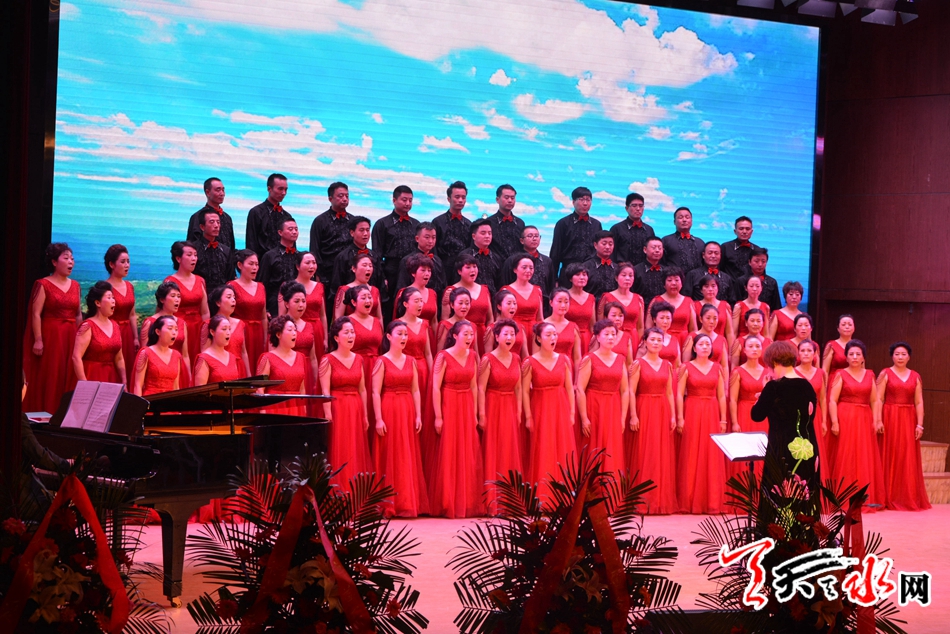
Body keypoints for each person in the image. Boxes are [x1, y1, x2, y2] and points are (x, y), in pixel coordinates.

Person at [372, 320, 429, 518]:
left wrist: (418, 414)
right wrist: (378, 419)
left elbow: (416, 390)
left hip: (407, 408)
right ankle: (389, 503)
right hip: (389, 407)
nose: (404, 337)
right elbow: (375, 392)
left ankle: (406, 501)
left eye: (406, 334)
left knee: (406, 454)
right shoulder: (382, 361)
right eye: (400, 334)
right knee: (390, 453)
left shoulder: (411, 360)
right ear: (389, 337)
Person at [430, 320, 485, 518]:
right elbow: (436, 387)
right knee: (450, 451)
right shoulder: (443, 356)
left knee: (467, 451)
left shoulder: (473, 356)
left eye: (472, 334)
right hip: (449, 403)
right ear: (455, 335)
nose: (470, 338)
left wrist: (475, 413)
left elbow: (474, 386)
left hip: (466, 405)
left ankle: (467, 501)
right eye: (465, 334)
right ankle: (448, 501)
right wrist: (438, 416)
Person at [751, 341, 819, 489]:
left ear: (775, 362)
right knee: (804, 494)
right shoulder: (807, 386)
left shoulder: (773, 387)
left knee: (780, 494)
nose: (769, 371)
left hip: (781, 450)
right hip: (807, 448)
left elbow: (756, 415)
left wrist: (763, 396)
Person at [523, 322, 577, 505]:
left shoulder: (564, 359)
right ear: (539, 338)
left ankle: (564, 497)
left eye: (555, 334)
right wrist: (528, 416)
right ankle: (543, 496)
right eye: (548, 335)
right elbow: (524, 391)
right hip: (540, 409)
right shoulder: (530, 362)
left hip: (560, 408)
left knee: (562, 449)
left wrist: (572, 412)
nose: (553, 338)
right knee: (543, 449)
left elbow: (569, 388)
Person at [24, 244, 81, 413]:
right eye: (66, 258)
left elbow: (78, 314)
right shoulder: (43, 284)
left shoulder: (76, 285)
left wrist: (80, 338)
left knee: (68, 374)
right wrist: (38, 340)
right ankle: (48, 412)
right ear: (54, 262)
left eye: (72, 258)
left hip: (71, 335)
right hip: (52, 335)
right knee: (52, 373)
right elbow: (35, 314)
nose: (71, 262)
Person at [626, 327, 678, 514]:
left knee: (660, 453)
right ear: (645, 342)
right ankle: (643, 501)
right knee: (644, 452)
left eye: (659, 340)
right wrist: (633, 414)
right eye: (653, 339)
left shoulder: (667, 365)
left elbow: (670, 392)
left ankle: (660, 500)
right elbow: (631, 391)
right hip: (644, 408)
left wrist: (673, 414)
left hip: (662, 409)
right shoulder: (638, 364)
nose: (656, 343)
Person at [828, 340, 885, 509]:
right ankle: (843, 497)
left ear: (863, 357)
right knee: (846, 456)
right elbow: (832, 400)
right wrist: (835, 421)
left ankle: (863, 498)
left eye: (858, 354)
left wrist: (876, 420)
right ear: (846, 357)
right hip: (845, 417)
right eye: (851, 354)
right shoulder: (841, 374)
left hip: (864, 418)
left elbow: (875, 400)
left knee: (863, 457)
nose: (854, 357)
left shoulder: (870, 374)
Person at [676, 333, 728, 514]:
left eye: (708, 344)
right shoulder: (686, 367)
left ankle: (711, 500)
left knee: (711, 454)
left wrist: (723, 419)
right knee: (691, 452)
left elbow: (721, 395)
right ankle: (690, 499)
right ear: (694, 348)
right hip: (692, 409)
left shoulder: (717, 368)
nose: (705, 347)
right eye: (701, 344)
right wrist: (680, 417)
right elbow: (679, 394)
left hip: (712, 412)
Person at [319, 316, 372, 492]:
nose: (351, 336)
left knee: (355, 448)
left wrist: (365, 414)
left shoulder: (358, 359)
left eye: (353, 332)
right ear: (336, 337)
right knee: (339, 448)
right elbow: (325, 390)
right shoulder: (327, 359)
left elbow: (363, 389)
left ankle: (354, 491)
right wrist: (328, 414)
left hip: (355, 407)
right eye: (346, 332)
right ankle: (338, 492)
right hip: (337, 407)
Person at [877, 342, 930, 511]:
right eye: (897, 354)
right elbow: (878, 399)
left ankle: (905, 497)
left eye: (903, 354)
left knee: (906, 456)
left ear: (909, 357)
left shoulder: (915, 376)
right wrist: (878, 420)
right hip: (889, 416)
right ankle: (886, 496)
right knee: (889, 454)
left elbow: (919, 401)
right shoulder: (885, 373)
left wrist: (920, 425)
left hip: (908, 418)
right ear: (892, 356)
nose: (900, 357)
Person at [478, 319, 524, 514]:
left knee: (508, 449)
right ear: (497, 337)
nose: (509, 337)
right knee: (493, 449)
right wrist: (482, 414)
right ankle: (492, 501)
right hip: (493, 405)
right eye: (505, 334)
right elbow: (481, 388)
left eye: (512, 334)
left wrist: (519, 411)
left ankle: (509, 501)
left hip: (510, 406)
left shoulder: (517, 358)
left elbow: (519, 387)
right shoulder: (487, 359)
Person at [576, 319, 628, 479]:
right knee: (594, 447)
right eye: (606, 334)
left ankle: (610, 488)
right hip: (594, 407)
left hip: (613, 407)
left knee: (611, 447)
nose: (611, 337)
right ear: (598, 337)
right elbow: (580, 389)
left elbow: (625, 390)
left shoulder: (620, 359)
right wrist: (584, 418)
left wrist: (623, 418)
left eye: (613, 334)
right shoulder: (589, 359)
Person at [396, 287, 436, 479]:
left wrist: (432, 375)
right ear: (405, 303)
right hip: (404, 371)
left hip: (423, 371)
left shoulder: (425, 324)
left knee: (424, 415)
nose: (421, 304)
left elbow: (428, 353)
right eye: (416, 301)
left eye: (422, 301)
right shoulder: (397, 325)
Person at [372, 185, 421, 318]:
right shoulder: (382, 224)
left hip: (412, 271)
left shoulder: (416, 224)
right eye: (404, 200)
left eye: (410, 200)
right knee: (390, 308)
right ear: (394, 200)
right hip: (391, 271)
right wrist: (383, 278)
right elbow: (377, 254)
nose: (407, 203)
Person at [728, 335, 769, 481]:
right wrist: (734, 422)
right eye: (750, 346)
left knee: (762, 452)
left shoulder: (768, 372)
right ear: (744, 350)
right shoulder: (737, 371)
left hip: (763, 415)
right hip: (744, 412)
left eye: (757, 346)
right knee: (744, 453)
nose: (754, 349)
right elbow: (733, 399)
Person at [165, 241, 208, 372]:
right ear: (178, 259)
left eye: (195, 255)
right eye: (189, 255)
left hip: (198, 329)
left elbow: (205, 311)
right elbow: (165, 312)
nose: (194, 258)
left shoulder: (200, 280)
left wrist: (206, 333)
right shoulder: (170, 282)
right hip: (178, 330)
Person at [71, 281, 125, 386]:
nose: (113, 301)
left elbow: (119, 358)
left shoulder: (115, 326)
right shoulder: (88, 326)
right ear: (98, 303)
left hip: (110, 377)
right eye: (109, 298)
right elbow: (76, 357)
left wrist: (124, 380)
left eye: (113, 298)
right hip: (91, 376)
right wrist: (84, 384)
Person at [346, 285, 383, 433]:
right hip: (356, 368)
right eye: (364, 298)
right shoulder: (347, 322)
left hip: (376, 368)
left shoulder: (377, 321)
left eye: (370, 297)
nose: (368, 300)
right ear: (354, 302)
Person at [139, 281, 191, 385]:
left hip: (179, 372)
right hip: (157, 375)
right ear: (162, 299)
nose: (177, 299)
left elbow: (185, 355)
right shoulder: (150, 322)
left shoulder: (182, 323)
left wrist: (189, 377)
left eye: (179, 296)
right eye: (173, 296)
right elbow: (143, 355)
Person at [256, 315, 308, 417]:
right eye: (290, 330)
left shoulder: (301, 357)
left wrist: (304, 410)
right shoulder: (268, 358)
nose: (294, 333)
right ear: (278, 334)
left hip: (296, 407)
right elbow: (259, 389)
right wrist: (262, 412)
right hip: (275, 408)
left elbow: (302, 389)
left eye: (295, 330)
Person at [442, 255, 492, 356]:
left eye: (474, 266)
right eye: (468, 267)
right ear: (459, 271)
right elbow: (445, 319)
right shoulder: (451, 290)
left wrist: (489, 334)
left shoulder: (484, 289)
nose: (472, 270)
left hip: (483, 336)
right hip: (461, 336)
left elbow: (490, 318)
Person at [796, 339, 831, 482]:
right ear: (798, 353)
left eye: (809, 350)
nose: (806, 353)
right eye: (803, 350)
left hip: (815, 417)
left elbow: (822, 399)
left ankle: (814, 485)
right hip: (797, 417)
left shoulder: (820, 373)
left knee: (815, 451)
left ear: (815, 354)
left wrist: (824, 421)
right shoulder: (792, 372)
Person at [281, 281, 320, 409]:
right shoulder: (280, 325)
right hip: (289, 372)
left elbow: (313, 358)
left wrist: (316, 381)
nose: (301, 305)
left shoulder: (309, 326)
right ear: (287, 304)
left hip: (307, 372)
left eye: (303, 301)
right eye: (297, 301)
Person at [308, 182, 353, 294]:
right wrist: (318, 274)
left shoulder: (353, 221)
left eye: (347, 196)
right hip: (328, 273)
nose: (344, 199)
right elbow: (314, 249)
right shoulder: (320, 221)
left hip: (350, 272)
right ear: (330, 198)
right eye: (340, 196)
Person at [550, 187, 602, 283]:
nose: (585, 203)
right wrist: (553, 279)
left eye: (588, 200)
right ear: (573, 202)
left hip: (590, 273)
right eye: (581, 199)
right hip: (568, 273)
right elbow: (555, 252)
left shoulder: (596, 224)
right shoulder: (563, 223)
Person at [330, 216, 386, 303]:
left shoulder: (374, 256)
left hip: (372, 302)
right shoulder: (343, 257)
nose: (365, 234)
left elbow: (380, 284)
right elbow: (336, 286)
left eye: (367, 230)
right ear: (352, 233)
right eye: (361, 230)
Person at [104, 245, 139, 385]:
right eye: (123, 262)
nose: (127, 265)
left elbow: (132, 314)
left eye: (128, 262)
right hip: (111, 333)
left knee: (128, 368)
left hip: (127, 333)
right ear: (112, 264)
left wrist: (135, 337)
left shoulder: (129, 286)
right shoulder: (105, 287)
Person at [229, 250, 268, 374]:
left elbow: (263, 317)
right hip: (240, 332)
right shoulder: (232, 286)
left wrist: (265, 338)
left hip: (258, 333)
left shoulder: (261, 287)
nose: (255, 267)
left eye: (257, 264)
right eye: (251, 264)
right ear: (240, 265)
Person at [200, 285, 250, 376]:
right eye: (229, 297)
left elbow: (244, 352)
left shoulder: (240, 324)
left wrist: (248, 374)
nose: (233, 300)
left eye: (234, 297)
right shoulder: (208, 324)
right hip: (219, 370)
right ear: (218, 302)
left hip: (239, 368)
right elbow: (204, 353)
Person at [499, 225, 556, 305]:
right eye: (530, 236)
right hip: (518, 304)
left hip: (544, 304)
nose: (534, 238)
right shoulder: (512, 260)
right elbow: (505, 284)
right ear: (522, 240)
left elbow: (551, 286)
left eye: (536, 236)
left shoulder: (547, 261)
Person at [287, 251, 327, 359]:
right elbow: (283, 315)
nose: (311, 266)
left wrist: (325, 338)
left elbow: (323, 315)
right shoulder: (289, 286)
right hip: (297, 329)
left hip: (317, 330)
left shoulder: (319, 286)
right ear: (297, 266)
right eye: (307, 263)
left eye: (314, 263)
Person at [258, 217, 300, 317]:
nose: (294, 232)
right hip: (274, 303)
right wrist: (265, 309)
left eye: (296, 229)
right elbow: (262, 284)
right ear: (280, 232)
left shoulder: (300, 256)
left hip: (296, 302)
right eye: (290, 229)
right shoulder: (269, 256)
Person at [245, 173, 293, 259]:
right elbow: (251, 243)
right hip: (262, 262)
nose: (284, 193)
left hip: (283, 263)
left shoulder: (286, 216)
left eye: (286, 189)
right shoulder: (256, 212)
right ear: (269, 189)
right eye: (280, 189)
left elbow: (291, 243)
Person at [646, 268, 697, 348]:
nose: (673, 283)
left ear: (682, 283)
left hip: (684, 343)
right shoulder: (656, 301)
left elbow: (693, 329)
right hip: (661, 342)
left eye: (676, 280)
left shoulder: (689, 301)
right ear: (664, 284)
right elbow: (648, 327)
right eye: (669, 280)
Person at [133, 316, 183, 396]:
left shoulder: (177, 355)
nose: (174, 332)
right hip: (152, 399)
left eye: (176, 329)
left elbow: (176, 386)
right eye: (170, 328)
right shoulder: (146, 353)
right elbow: (138, 385)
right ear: (158, 331)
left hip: (170, 400)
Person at [395, 222, 446, 299]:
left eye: (433, 237)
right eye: (427, 237)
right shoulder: (407, 260)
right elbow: (402, 287)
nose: (431, 241)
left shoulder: (437, 260)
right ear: (417, 239)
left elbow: (443, 285)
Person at [453, 219, 502, 296]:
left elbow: (499, 283)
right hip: (469, 298)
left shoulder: (496, 257)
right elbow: (457, 281)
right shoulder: (464, 256)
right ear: (474, 236)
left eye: (489, 233)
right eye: (483, 233)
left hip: (492, 299)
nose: (487, 236)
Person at [597, 263, 645, 342]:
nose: (627, 278)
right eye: (624, 275)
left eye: (630, 275)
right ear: (616, 278)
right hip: (613, 338)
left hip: (633, 338)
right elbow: (600, 323)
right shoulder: (607, 297)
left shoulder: (638, 298)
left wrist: (640, 343)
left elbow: (640, 327)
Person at [394, 254, 439, 332]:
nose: (427, 273)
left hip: (429, 335)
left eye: (429, 270)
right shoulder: (404, 292)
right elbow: (397, 319)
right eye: (423, 270)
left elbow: (434, 321)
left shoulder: (432, 293)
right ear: (413, 273)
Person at [431, 181, 472, 266]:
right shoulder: (438, 222)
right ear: (448, 199)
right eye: (457, 197)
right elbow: (433, 248)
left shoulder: (469, 224)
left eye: (463, 197)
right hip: (442, 267)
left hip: (463, 268)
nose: (460, 200)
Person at [501, 255, 543, 338]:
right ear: (515, 269)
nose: (528, 270)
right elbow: (502, 318)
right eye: (524, 267)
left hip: (534, 333)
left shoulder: (537, 290)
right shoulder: (506, 290)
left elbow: (540, 318)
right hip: (514, 332)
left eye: (531, 268)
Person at [194, 315, 243, 385]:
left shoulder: (232, 357)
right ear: (212, 332)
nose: (228, 333)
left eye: (229, 329)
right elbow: (200, 390)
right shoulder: (204, 359)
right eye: (224, 329)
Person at [681, 304, 729, 376]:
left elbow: (725, 366)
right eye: (708, 318)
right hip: (695, 377)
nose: (712, 321)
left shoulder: (721, 339)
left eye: (715, 318)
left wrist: (725, 382)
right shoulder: (692, 337)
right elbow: (685, 363)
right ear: (701, 319)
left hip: (716, 378)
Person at [187, 177, 234, 250]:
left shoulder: (227, 217)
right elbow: (191, 245)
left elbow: (231, 245)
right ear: (208, 192)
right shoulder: (197, 217)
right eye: (218, 190)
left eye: (223, 190)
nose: (222, 193)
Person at [334, 253, 383, 321]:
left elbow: (379, 317)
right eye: (364, 265)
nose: (368, 268)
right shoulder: (345, 290)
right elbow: (338, 318)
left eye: (370, 266)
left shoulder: (375, 290)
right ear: (354, 268)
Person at [610, 192, 655, 267]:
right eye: (634, 206)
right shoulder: (617, 228)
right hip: (622, 271)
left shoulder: (649, 230)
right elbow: (611, 253)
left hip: (644, 271)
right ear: (626, 208)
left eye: (641, 206)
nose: (638, 209)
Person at [194, 209, 234, 292]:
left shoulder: (226, 250)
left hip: (221, 296)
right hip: (200, 293)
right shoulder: (194, 249)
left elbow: (230, 278)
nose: (216, 226)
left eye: (218, 222)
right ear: (202, 227)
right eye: (212, 222)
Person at [638, 301, 681, 372]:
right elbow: (638, 361)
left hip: (672, 376)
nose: (665, 321)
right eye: (662, 318)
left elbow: (678, 364)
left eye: (668, 318)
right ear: (654, 319)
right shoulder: (648, 338)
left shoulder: (674, 339)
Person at [487, 289, 530, 359]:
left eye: (514, 303)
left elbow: (525, 356)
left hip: (516, 365)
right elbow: (488, 356)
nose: (513, 306)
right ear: (499, 306)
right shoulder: (491, 329)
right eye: (509, 303)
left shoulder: (520, 328)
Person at [487, 184, 526, 260]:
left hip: (517, 265)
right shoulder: (489, 223)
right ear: (497, 199)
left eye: (512, 198)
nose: (510, 200)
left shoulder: (520, 223)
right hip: (496, 265)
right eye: (506, 197)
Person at [544, 288, 581, 368]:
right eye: (559, 301)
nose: (563, 305)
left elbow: (577, 358)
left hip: (568, 368)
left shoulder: (573, 327)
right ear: (551, 302)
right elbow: (536, 355)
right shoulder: (542, 325)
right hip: (548, 367)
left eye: (566, 302)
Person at [564, 263, 596, 355]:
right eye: (577, 275)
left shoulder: (591, 297)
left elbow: (592, 324)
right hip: (568, 337)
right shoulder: (564, 296)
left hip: (586, 338)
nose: (582, 277)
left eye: (584, 275)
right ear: (570, 278)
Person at [693, 274, 733, 348]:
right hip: (702, 346)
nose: (710, 289)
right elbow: (693, 330)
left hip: (720, 345)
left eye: (713, 286)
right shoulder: (695, 306)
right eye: (706, 286)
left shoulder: (725, 305)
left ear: (718, 288)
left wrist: (731, 352)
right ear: (701, 290)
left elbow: (729, 332)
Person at [737, 248, 782, 312]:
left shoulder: (772, 282)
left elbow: (776, 307)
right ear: (749, 262)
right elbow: (737, 304)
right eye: (756, 261)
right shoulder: (741, 281)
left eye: (763, 261)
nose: (760, 264)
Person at [661, 207, 704, 272]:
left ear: (691, 221)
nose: (684, 220)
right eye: (680, 217)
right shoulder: (666, 240)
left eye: (687, 217)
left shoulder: (700, 243)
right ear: (674, 222)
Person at [595, 301, 635, 371]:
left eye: (620, 316)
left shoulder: (627, 336)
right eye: (614, 315)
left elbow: (629, 363)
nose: (617, 319)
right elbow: (593, 359)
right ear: (606, 317)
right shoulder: (599, 335)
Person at [582, 231, 619, 300]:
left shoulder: (617, 268)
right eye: (604, 244)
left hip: (613, 305)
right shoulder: (585, 267)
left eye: (610, 244)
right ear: (595, 245)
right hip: (591, 304)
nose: (607, 247)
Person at [632, 237, 667, 306]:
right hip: (641, 308)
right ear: (645, 250)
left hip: (663, 309)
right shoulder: (635, 270)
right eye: (653, 248)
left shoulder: (666, 271)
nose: (657, 250)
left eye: (660, 248)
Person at [436, 287, 473, 352]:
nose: (464, 307)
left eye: (467, 303)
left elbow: (475, 351)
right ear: (452, 305)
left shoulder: (472, 326)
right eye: (460, 303)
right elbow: (440, 351)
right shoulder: (445, 325)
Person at [822, 314, 855, 382]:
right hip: (835, 381)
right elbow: (825, 370)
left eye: (850, 324)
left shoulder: (858, 346)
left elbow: (862, 369)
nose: (847, 327)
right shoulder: (831, 345)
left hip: (853, 382)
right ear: (838, 328)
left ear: (854, 328)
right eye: (843, 324)